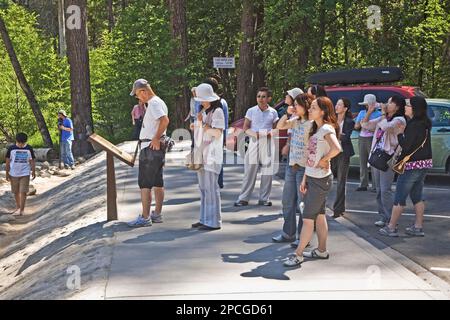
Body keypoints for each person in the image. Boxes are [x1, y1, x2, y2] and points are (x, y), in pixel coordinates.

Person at [284, 97, 341, 267]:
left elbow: (337, 148)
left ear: (323, 111)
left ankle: (298, 254)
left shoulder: (326, 128)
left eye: (314, 108)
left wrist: (325, 159)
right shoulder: (316, 128)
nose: (310, 109)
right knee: (319, 216)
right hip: (313, 177)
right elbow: (310, 157)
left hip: (320, 180)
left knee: (308, 218)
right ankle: (321, 250)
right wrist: (305, 178)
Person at [379, 96, 432, 237]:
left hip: (411, 165)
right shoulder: (424, 123)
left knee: (399, 197)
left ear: (415, 108)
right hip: (423, 164)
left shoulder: (414, 125)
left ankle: (391, 227)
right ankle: (418, 226)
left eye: (408, 105)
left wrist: (400, 134)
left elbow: (406, 146)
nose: (406, 107)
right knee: (417, 196)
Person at [127, 79, 169, 227]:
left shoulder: (154, 103)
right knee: (158, 182)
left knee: (145, 184)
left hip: (150, 147)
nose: (138, 98)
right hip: (154, 148)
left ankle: (145, 217)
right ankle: (156, 214)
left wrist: (156, 138)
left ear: (144, 91)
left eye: (138, 94)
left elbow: (164, 120)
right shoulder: (157, 102)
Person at [361, 95, 407, 227]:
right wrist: (369, 111)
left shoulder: (399, 120)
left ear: (397, 106)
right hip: (377, 157)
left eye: (390, 102)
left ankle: (391, 219)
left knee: (386, 190)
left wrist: (382, 112)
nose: (387, 104)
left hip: (389, 158)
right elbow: (365, 125)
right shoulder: (383, 118)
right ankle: (383, 216)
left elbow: (387, 127)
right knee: (379, 190)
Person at [272, 94, 312, 245]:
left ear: (305, 106)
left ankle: (303, 237)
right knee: (287, 201)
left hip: (304, 168)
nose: (294, 107)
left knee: (302, 204)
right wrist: (287, 113)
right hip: (292, 165)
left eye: (297, 105)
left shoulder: (312, 123)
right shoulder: (296, 120)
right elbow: (280, 126)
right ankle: (288, 233)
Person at [234, 87, 279, 207]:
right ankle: (243, 198)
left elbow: (276, 129)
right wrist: (256, 135)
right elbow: (245, 128)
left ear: (269, 98)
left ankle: (264, 198)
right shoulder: (251, 111)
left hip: (268, 142)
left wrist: (271, 134)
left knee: (267, 172)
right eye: (259, 96)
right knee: (250, 170)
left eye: (263, 96)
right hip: (255, 140)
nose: (260, 99)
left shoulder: (273, 112)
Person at [191, 83, 225, 230]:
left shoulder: (217, 111)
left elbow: (217, 132)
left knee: (212, 188)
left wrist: (203, 125)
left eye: (202, 99)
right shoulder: (204, 112)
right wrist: (197, 124)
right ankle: (204, 218)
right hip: (202, 153)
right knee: (204, 188)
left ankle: (214, 221)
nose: (200, 102)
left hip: (212, 155)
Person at [331, 98, 355, 218]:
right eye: (336, 104)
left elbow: (346, 138)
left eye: (339, 104)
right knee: (327, 178)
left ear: (345, 108)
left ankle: (338, 209)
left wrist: (334, 134)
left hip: (343, 152)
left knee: (341, 181)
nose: (336, 106)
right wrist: (339, 135)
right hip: (331, 152)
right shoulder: (331, 119)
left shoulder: (349, 121)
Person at [354, 94, 382, 192]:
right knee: (363, 162)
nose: (367, 106)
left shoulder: (379, 114)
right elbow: (357, 126)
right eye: (366, 104)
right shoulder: (362, 112)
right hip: (362, 138)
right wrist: (367, 115)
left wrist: (366, 123)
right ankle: (363, 183)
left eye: (368, 104)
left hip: (373, 139)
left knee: (373, 162)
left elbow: (379, 128)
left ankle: (375, 185)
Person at [5, 133, 36, 216]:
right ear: (16, 141)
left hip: (25, 173)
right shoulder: (11, 149)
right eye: (19, 143)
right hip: (13, 173)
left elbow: (32, 160)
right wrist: (7, 173)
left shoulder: (29, 148)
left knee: (23, 192)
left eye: (23, 143)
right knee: (16, 192)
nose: (21, 145)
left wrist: (33, 170)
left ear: (26, 142)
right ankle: (18, 206)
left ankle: (22, 209)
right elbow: (7, 161)